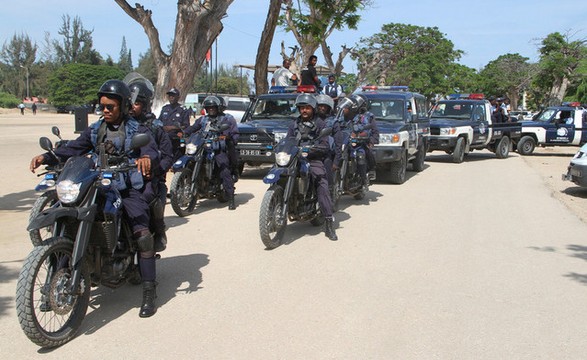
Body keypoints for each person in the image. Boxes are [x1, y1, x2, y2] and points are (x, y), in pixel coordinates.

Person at [30, 79, 161, 318]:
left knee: (142, 234)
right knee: (68, 215)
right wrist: (47, 157)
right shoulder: (95, 128)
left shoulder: (137, 129)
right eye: (103, 106)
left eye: (111, 106)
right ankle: (53, 284)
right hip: (100, 184)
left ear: (122, 106)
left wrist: (146, 159)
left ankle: (149, 292)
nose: (106, 110)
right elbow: (73, 147)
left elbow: (150, 149)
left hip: (126, 186)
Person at [128, 80, 173, 253]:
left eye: (137, 103)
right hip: (122, 175)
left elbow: (168, 155)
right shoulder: (120, 124)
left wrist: (155, 171)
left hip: (149, 178)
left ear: (145, 105)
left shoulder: (155, 127)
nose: (132, 107)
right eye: (129, 103)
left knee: (147, 195)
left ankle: (157, 231)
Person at [286, 93, 338, 241]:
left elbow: (325, 145)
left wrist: (312, 149)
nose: (304, 111)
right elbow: (288, 139)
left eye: (307, 108)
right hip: (295, 158)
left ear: (313, 108)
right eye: (302, 108)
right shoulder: (294, 124)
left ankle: (328, 222)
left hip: (313, 159)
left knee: (322, 183)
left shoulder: (320, 124)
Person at [184, 95, 239, 210]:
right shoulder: (203, 119)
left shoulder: (227, 119)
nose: (211, 109)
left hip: (218, 148)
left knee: (224, 168)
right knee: (190, 161)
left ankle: (231, 197)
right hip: (203, 147)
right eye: (209, 108)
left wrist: (226, 137)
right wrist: (184, 132)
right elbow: (194, 128)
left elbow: (234, 133)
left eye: (213, 107)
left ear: (218, 107)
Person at [347, 94, 379, 188]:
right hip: (348, 142)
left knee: (361, 157)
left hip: (362, 143)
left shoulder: (369, 116)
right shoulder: (348, 114)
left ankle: (363, 180)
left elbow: (375, 131)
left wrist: (372, 142)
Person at [315, 94, 342, 193]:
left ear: (329, 108)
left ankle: (330, 193)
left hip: (326, 153)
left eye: (324, 106)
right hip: (311, 151)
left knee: (327, 165)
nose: (321, 108)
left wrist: (336, 162)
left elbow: (338, 142)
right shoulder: (311, 119)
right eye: (320, 105)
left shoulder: (333, 122)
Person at [159, 87, 191, 162]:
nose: (171, 97)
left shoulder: (183, 110)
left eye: (173, 96)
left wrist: (173, 128)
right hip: (164, 139)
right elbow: (159, 122)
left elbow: (186, 125)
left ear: (178, 97)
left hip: (176, 138)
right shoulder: (165, 109)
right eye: (169, 96)